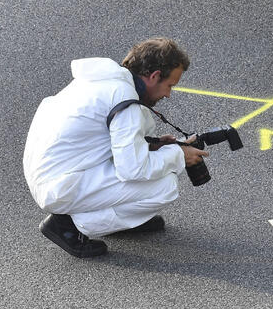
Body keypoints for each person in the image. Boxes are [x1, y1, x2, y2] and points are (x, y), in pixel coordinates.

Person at [23, 38, 208, 258]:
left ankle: (118, 221)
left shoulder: (104, 82)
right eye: (169, 85)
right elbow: (133, 169)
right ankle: (68, 225)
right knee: (165, 185)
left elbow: (100, 140)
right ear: (155, 76)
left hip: (53, 173)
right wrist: (178, 155)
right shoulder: (125, 100)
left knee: (152, 170)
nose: (168, 94)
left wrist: (153, 145)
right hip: (61, 185)